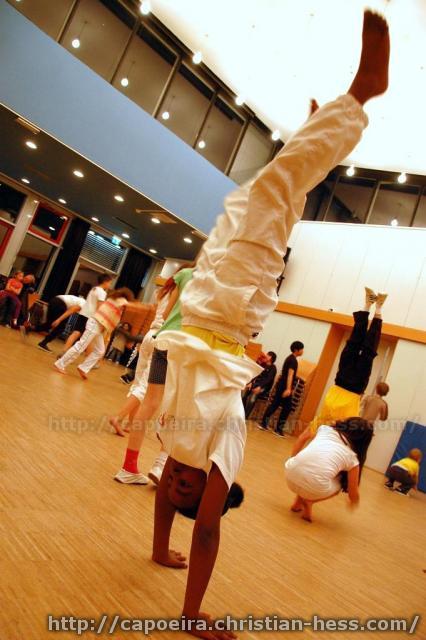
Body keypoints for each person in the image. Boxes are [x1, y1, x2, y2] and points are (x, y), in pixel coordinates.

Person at [148, 12, 390, 634]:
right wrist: (192, 614)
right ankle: (361, 94)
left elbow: (169, 511)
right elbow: (203, 531)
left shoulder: (174, 447)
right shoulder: (223, 438)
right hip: (232, 314)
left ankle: (318, 128)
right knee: (271, 194)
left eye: (168, 481)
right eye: (184, 486)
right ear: (203, 489)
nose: (173, 478)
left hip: (202, 299)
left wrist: (156, 548)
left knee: (265, 200)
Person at [113, 266, 194, 475]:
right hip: (184, 345)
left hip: (160, 338)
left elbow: (166, 313)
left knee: (144, 390)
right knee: (176, 406)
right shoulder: (217, 282)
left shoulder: (175, 282)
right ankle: (159, 466)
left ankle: (128, 466)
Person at [292, 288, 387, 456]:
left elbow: (302, 438)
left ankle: (368, 304)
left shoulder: (320, 424)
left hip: (342, 381)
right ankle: (378, 307)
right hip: (355, 387)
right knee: (368, 350)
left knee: (353, 345)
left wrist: (292, 460)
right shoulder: (342, 433)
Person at [285, 418, 374, 522]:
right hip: (314, 488)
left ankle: (297, 504)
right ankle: (310, 501)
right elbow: (352, 493)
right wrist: (355, 501)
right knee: (339, 479)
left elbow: (331, 423)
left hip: (289, 475)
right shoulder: (352, 458)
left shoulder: (324, 429)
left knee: (311, 468)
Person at [53, 288, 137, 379]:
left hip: (99, 327)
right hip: (95, 324)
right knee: (81, 346)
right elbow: (132, 306)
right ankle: (60, 364)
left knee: (100, 350)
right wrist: (146, 306)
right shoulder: (119, 300)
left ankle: (83, 368)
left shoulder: (116, 302)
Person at [259, 341, 304, 435]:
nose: (303, 351)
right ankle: (277, 429)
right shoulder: (293, 360)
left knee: (277, 405)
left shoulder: (290, 358)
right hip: (284, 387)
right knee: (286, 407)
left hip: (282, 386)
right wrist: (288, 389)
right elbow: (290, 375)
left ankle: (266, 424)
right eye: (302, 349)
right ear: (296, 350)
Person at [62, 274, 113, 352]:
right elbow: (99, 307)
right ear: (105, 282)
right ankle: (88, 359)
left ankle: (64, 350)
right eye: (110, 283)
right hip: (90, 317)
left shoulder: (94, 289)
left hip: (83, 313)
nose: (110, 285)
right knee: (89, 339)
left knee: (76, 333)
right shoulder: (102, 292)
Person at [242, 350, 277, 419]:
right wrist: (251, 383)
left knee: (252, 399)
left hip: (264, 387)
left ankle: (245, 416)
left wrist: (259, 387)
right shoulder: (263, 364)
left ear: (271, 358)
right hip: (256, 384)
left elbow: (267, 380)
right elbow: (256, 374)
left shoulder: (273, 368)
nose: (266, 356)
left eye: (268, 355)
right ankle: (242, 412)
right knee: (244, 395)